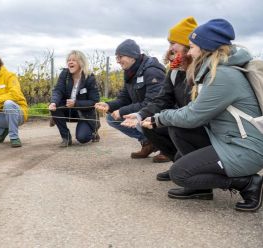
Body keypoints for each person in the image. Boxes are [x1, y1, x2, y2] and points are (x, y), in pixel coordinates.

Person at [144, 19, 263, 211]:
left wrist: (158, 118)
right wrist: (159, 118)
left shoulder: (223, 76)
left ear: (206, 48)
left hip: (245, 149)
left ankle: (247, 182)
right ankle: (202, 187)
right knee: (178, 127)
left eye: (192, 47)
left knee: (179, 174)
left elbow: (193, 115)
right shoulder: (214, 70)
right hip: (228, 140)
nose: (189, 52)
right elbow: (192, 114)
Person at [122, 17, 199, 170]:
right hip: (184, 119)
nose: (170, 49)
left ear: (187, 45)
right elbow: (162, 99)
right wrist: (140, 115)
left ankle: (193, 169)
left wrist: (162, 118)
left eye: (172, 43)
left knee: (172, 126)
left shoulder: (203, 71)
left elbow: (198, 111)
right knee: (149, 125)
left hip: (201, 124)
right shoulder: (175, 71)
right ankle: (179, 164)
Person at [95, 39, 165, 158]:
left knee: (153, 115)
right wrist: (109, 106)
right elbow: (124, 97)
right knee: (112, 118)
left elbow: (153, 103)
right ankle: (148, 142)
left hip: (159, 111)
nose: (117, 61)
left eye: (120, 57)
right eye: (116, 57)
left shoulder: (152, 71)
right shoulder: (130, 72)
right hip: (145, 110)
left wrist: (122, 111)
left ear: (132, 56)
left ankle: (167, 147)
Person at [48, 50, 100, 147]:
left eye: (74, 60)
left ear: (81, 63)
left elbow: (94, 102)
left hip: (85, 113)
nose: (70, 62)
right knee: (56, 106)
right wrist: (53, 102)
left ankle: (94, 128)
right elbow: (58, 90)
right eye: (69, 60)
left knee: (82, 138)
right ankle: (66, 138)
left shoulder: (90, 78)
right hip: (69, 109)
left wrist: (76, 103)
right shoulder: (64, 74)